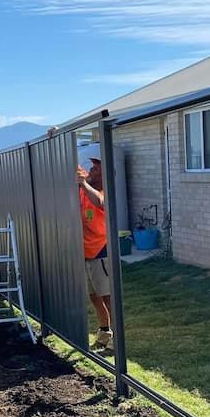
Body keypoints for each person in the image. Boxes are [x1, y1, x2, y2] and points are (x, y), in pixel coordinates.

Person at [78, 144, 113, 350]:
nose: (90, 171)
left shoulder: (101, 192)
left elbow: (99, 202)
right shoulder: (83, 188)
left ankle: (116, 340)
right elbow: (71, 167)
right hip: (86, 252)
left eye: (95, 169)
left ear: (103, 176)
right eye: (90, 167)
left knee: (108, 297)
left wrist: (83, 184)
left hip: (101, 250)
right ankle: (104, 331)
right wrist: (55, 137)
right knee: (93, 296)